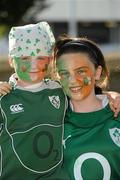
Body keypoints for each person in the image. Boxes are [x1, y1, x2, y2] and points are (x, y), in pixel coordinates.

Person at [0, 22, 69, 180]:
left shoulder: (61, 91)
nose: (34, 65)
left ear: (50, 60)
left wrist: (110, 95)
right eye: (24, 57)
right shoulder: (4, 97)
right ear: (11, 60)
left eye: (40, 57)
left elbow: (88, 97)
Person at [54, 36, 120, 179]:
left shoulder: (117, 112)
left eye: (81, 71)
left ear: (97, 72)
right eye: (64, 73)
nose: (72, 80)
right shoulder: (52, 121)